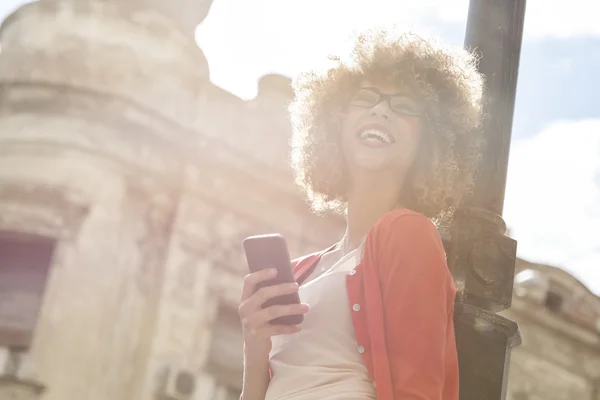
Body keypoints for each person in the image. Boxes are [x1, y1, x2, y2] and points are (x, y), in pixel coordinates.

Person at [238, 28, 484, 400]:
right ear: (334, 122)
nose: (380, 109)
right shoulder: (303, 270)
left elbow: (418, 391)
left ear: (430, 140)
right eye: (365, 98)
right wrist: (255, 348)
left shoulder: (408, 234)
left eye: (403, 106)